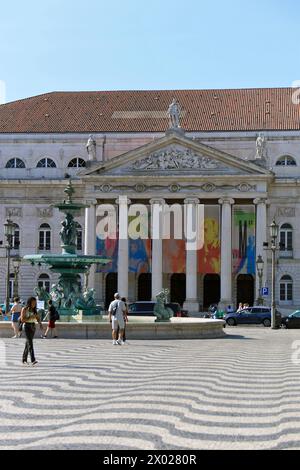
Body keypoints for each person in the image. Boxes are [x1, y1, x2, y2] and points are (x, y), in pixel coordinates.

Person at [20, 297, 43, 366]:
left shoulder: (34, 310)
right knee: (30, 343)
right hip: (26, 326)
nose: (34, 304)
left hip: (33, 326)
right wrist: (30, 317)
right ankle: (33, 360)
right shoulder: (24, 309)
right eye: (33, 303)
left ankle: (24, 359)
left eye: (35, 303)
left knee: (28, 343)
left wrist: (40, 324)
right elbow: (22, 320)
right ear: (29, 302)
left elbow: (38, 318)